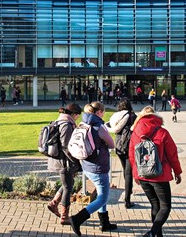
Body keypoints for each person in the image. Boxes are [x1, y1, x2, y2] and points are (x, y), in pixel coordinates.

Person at [129, 106, 182, 237]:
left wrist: (136, 174)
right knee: (165, 207)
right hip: (160, 175)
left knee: (154, 204)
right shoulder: (162, 132)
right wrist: (178, 172)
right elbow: (172, 154)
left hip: (143, 175)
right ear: (155, 117)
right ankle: (153, 233)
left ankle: (157, 234)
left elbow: (131, 156)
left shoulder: (135, 133)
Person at [70, 101, 117, 235]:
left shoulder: (83, 123)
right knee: (102, 197)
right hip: (98, 167)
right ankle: (77, 219)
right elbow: (112, 144)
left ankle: (104, 223)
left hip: (86, 166)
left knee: (102, 193)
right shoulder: (99, 126)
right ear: (99, 112)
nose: (104, 115)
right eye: (103, 113)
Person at [47, 103, 82, 226]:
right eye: (78, 116)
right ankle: (64, 216)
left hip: (58, 159)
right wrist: (76, 161)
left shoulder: (59, 121)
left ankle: (54, 203)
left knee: (67, 183)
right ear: (73, 114)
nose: (78, 118)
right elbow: (67, 146)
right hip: (64, 162)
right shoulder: (66, 124)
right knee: (68, 187)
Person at [105, 98, 137, 208]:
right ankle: (127, 199)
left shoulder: (115, 116)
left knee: (125, 170)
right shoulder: (132, 116)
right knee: (129, 173)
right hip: (129, 146)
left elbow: (111, 127)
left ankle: (129, 190)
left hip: (118, 146)